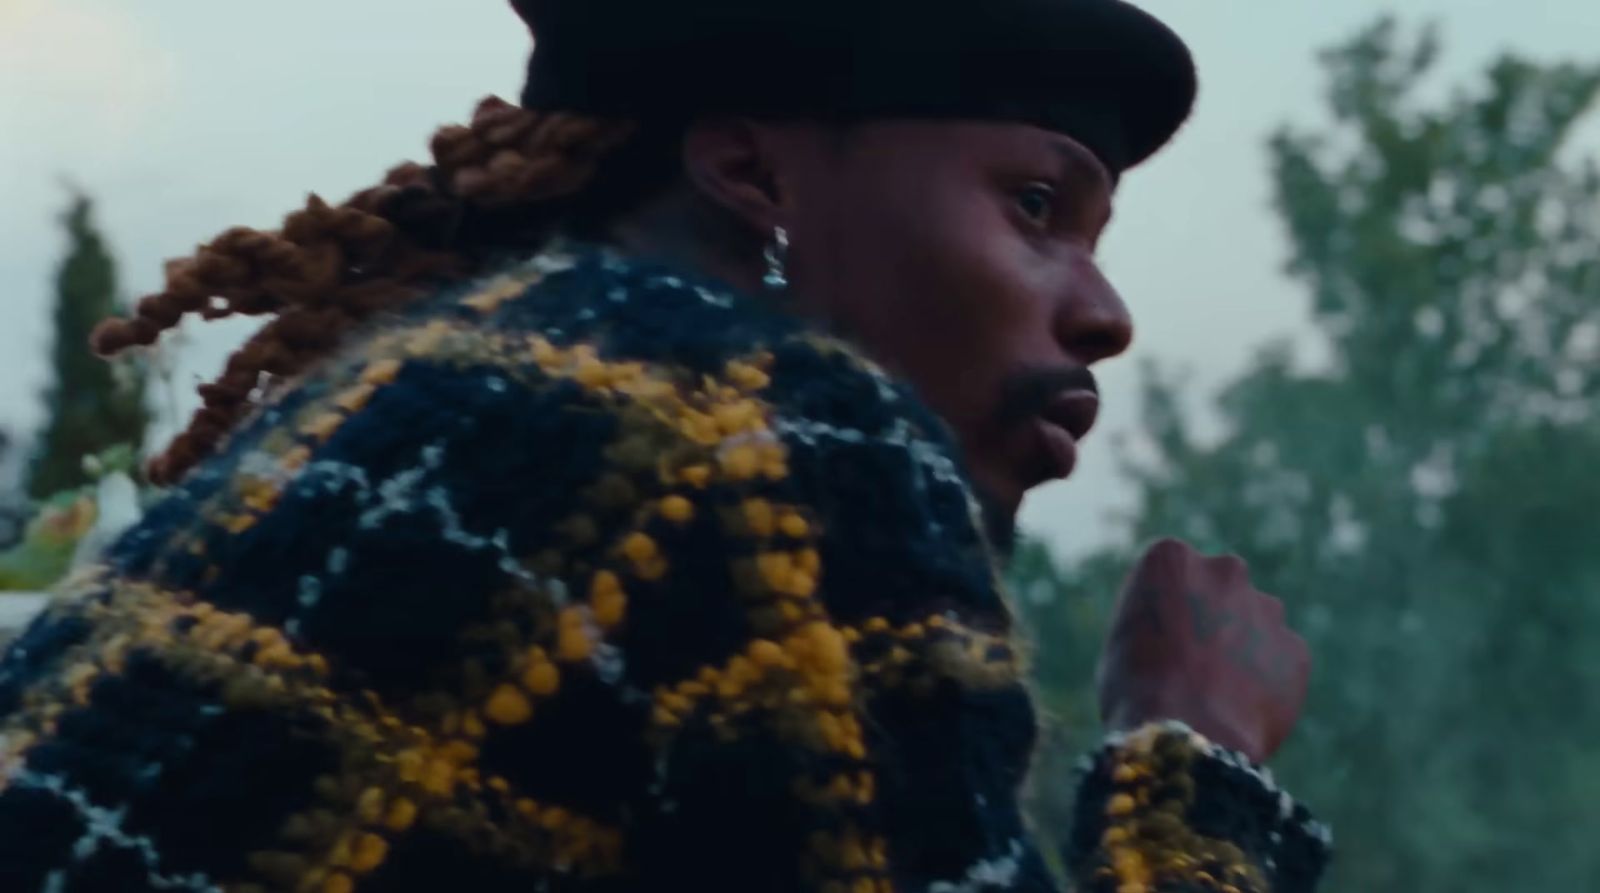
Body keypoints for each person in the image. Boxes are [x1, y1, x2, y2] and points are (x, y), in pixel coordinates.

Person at [0, 1, 1330, 890]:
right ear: (755, 176)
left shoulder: (420, 415)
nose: (1104, 314)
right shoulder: (765, 430)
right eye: (1038, 204)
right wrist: (1196, 749)